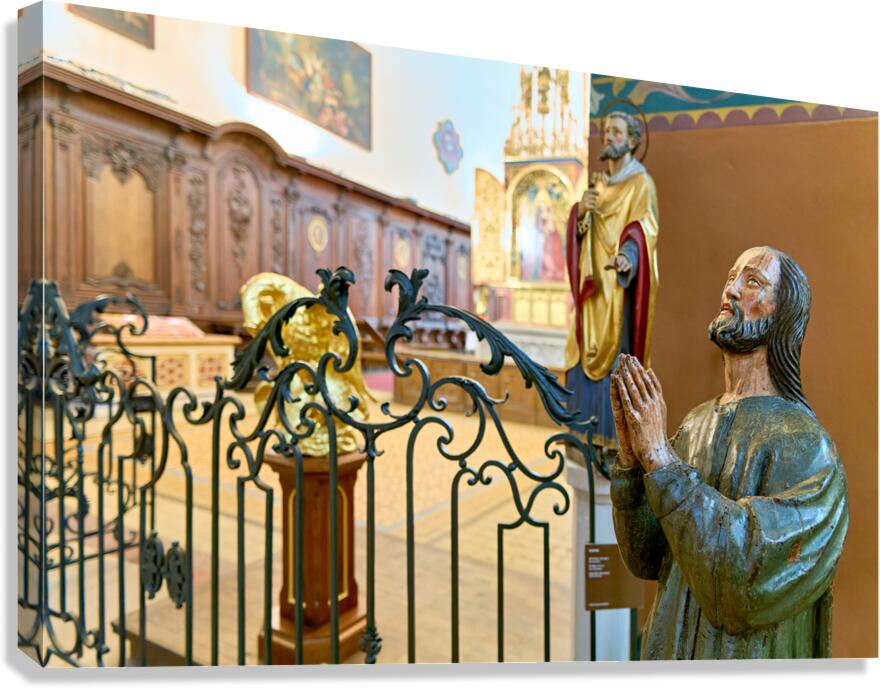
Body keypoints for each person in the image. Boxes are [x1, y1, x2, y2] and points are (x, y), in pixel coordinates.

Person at [609, 246, 849, 659]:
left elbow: (746, 580)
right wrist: (634, 464)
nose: (732, 290)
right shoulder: (695, 423)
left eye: (753, 281)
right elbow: (648, 560)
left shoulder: (810, 448)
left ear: (782, 316)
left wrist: (661, 462)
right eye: (731, 277)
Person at [564, 111, 659, 451]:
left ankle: (612, 444)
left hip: (617, 291)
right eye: (605, 131)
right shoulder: (596, 185)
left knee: (614, 359)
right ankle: (580, 439)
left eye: (616, 132)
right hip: (592, 292)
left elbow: (645, 230)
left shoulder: (640, 184)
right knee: (582, 353)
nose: (608, 137)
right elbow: (581, 236)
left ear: (633, 141)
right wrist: (580, 214)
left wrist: (628, 258)